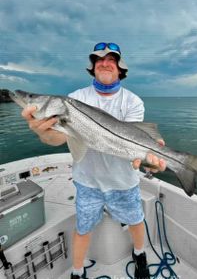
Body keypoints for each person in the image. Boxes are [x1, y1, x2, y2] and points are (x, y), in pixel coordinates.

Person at [22, 42, 166, 279]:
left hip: (124, 181)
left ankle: (139, 254)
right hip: (87, 182)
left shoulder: (133, 101)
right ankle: (77, 272)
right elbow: (57, 138)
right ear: (92, 67)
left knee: (136, 221)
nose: (105, 63)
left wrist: (148, 159)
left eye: (112, 59)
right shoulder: (75, 98)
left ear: (120, 68)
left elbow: (131, 142)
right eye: (99, 60)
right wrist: (43, 132)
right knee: (83, 228)